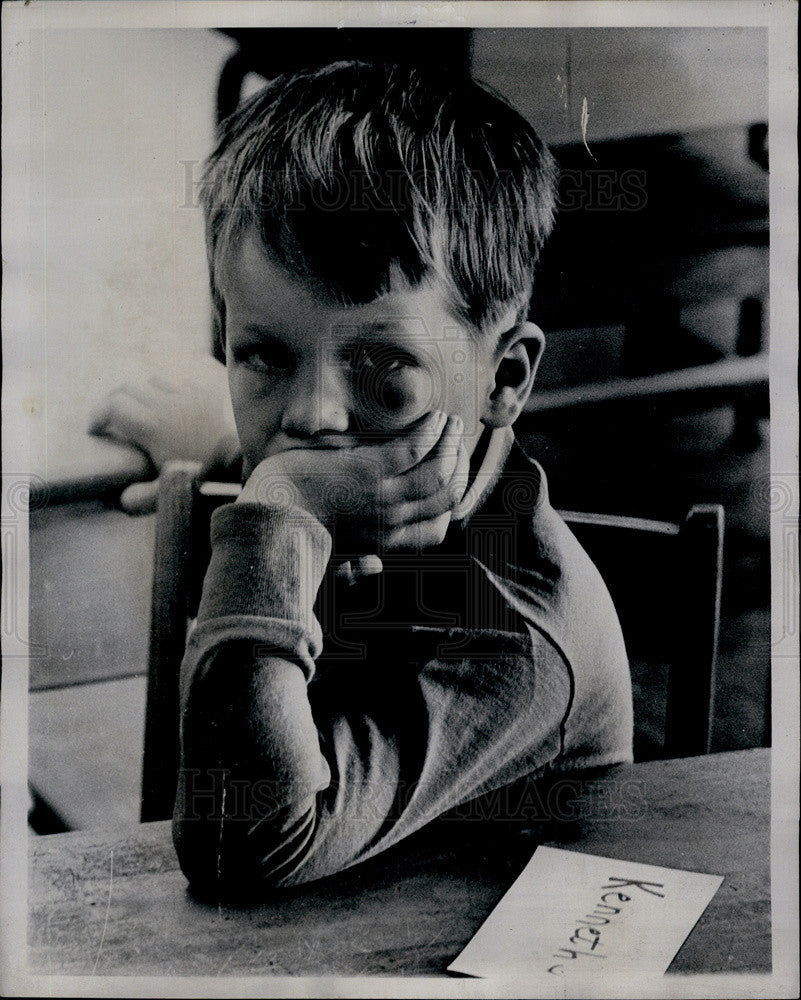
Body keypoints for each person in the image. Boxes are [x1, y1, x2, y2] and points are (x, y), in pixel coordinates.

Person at [92, 61, 633, 895]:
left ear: (503, 379)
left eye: (383, 365)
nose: (310, 419)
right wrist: (221, 429)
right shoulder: (354, 459)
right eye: (265, 353)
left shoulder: (521, 640)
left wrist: (278, 505)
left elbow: (244, 850)